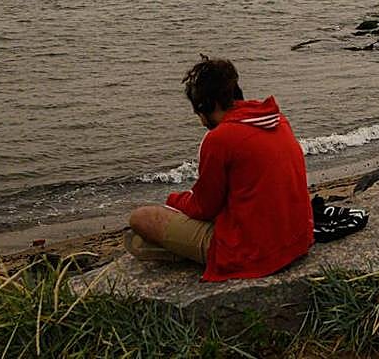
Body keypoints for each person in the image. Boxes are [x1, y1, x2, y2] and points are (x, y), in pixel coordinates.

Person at [126, 57, 314, 281]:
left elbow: (203, 208)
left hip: (252, 254)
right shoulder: (276, 120)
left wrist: (174, 200)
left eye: (199, 112)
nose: (201, 121)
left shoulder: (219, 139)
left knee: (140, 223)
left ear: (208, 105)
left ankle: (187, 255)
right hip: (297, 240)